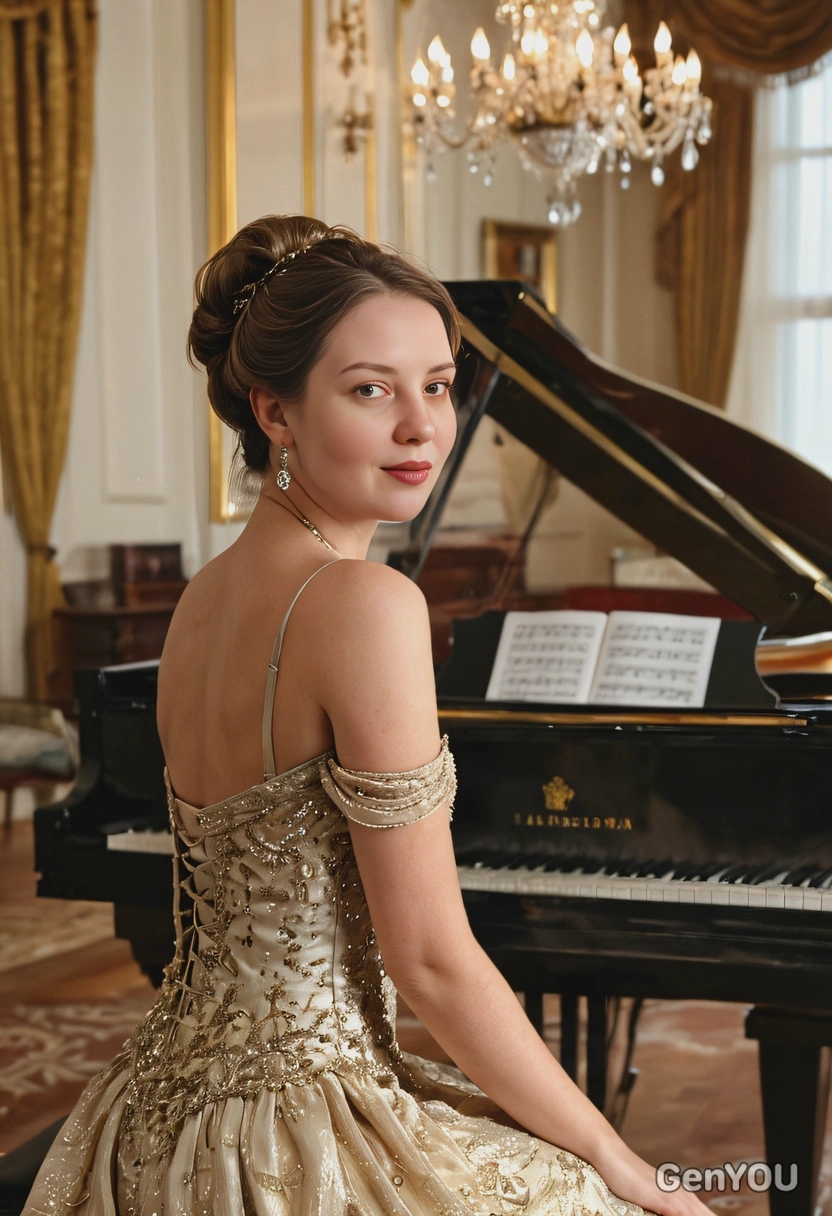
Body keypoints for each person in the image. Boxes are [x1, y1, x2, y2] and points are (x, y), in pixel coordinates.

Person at [24, 215, 710, 1216]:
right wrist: (620, 1159)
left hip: (154, 1115)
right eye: (369, 389)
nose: (422, 428)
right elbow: (429, 958)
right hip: (294, 1137)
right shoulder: (366, 604)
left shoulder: (201, 602)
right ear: (275, 411)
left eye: (435, 385)